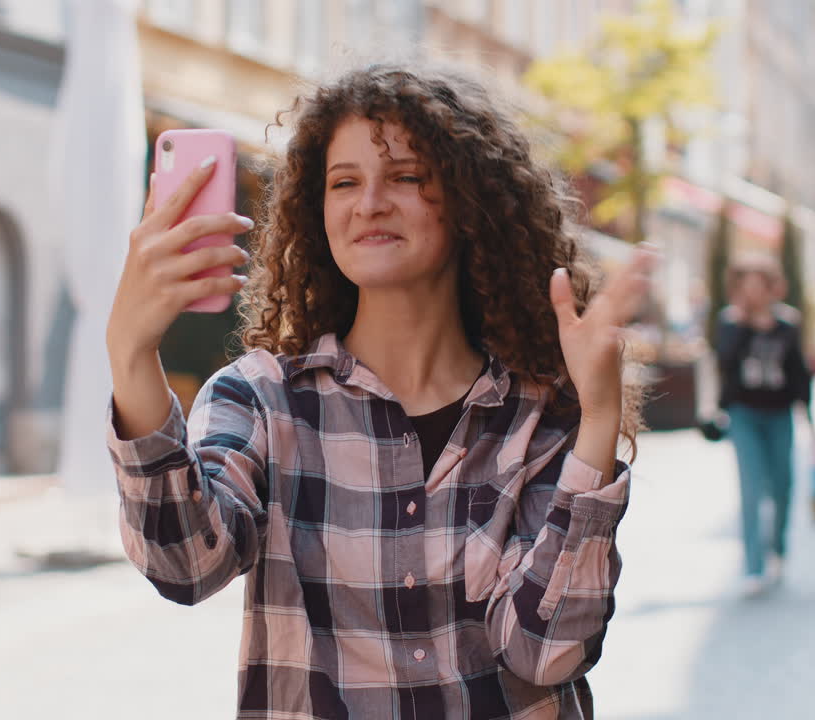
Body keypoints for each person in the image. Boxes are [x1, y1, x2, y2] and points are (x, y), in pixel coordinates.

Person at [105, 64, 657, 719]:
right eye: (345, 182)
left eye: (405, 177)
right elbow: (186, 566)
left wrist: (596, 421)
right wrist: (132, 355)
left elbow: (547, 652)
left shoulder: (538, 411)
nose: (369, 203)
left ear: (467, 202)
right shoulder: (260, 398)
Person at [715, 252, 812, 596]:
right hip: (744, 415)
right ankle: (753, 566)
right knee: (752, 488)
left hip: (780, 414)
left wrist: (810, 420)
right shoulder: (730, 323)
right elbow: (724, 363)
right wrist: (743, 324)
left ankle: (778, 549)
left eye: (759, 286)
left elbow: (800, 372)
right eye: (746, 286)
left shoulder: (788, 324)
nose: (753, 293)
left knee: (783, 487)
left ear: (772, 289)